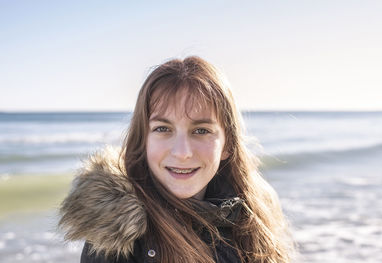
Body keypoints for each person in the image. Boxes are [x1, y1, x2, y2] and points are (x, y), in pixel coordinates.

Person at [58, 56, 293, 263]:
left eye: (201, 131)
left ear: (227, 145)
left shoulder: (253, 218)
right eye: (163, 129)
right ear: (143, 139)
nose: (182, 152)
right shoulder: (117, 236)